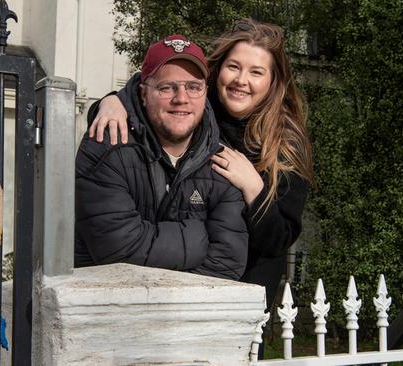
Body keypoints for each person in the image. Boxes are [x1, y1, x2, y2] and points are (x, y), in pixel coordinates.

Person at [89, 19, 313, 352]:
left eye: (256, 72)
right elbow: (152, 95)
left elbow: (278, 239)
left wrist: (253, 186)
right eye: (233, 67)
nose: (240, 81)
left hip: (243, 302)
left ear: (273, 82)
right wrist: (111, 100)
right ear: (216, 71)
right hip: (178, 282)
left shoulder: (286, 144)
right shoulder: (200, 112)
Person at [75, 34, 249, 281]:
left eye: (193, 87)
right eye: (167, 87)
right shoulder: (107, 145)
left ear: (205, 93)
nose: (181, 98)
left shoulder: (222, 164)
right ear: (144, 94)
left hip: (186, 315)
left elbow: (227, 262)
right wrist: (198, 239)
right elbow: (117, 247)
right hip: (107, 310)